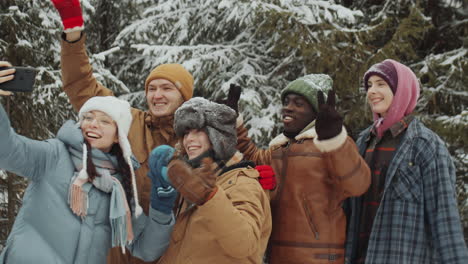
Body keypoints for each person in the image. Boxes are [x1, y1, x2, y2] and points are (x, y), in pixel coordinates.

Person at [49, 1, 194, 262]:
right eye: (152, 88)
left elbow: (227, 172)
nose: (157, 95)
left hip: (170, 253)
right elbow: (82, 86)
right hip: (116, 251)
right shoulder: (127, 121)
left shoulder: (196, 138)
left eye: (167, 88)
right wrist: (72, 28)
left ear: (184, 95)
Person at [0, 62, 176, 263]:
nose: (93, 124)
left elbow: (145, 248)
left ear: (119, 136)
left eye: (104, 121)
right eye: (88, 117)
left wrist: (162, 207)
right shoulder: (54, 155)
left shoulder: (119, 187)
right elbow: (7, 150)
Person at [229, 74, 371, 263]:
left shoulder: (332, 146)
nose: (288, 107)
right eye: (286, 101)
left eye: (298, 103)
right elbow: (252, 157)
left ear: (316, 113)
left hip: (317, 258)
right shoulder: (280, 149)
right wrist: (233, 123)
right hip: (276, 255)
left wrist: (333, 139)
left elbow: (357, 184)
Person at [344, 59, 468, 263]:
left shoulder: (426, 144)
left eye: (381, 84)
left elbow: (444, 219)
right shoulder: (364, 141)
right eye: (369, 85)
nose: (371, 91)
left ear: (401, 91)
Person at [148, 97, 272, 263]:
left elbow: (244, 244)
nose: (188, 139)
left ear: (218, 137)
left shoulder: (243, 183)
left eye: (198, 131)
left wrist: (209, 197)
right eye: (185, 133)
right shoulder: (196, 182)